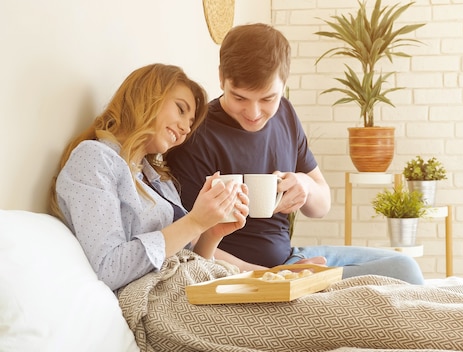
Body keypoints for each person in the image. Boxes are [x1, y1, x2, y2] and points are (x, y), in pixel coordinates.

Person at [166, 23, 425, 284]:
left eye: (267, 99)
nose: (254, 113)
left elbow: (322, 205)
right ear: (222, 78)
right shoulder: (197, 135)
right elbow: (191, 241)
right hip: (245, 273)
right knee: (400, 278)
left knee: (405, 267)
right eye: (240, 98)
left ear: (284, 83)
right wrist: (266, 275)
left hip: (291, 259)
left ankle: (317, 287)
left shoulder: (286, 114)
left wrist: (304, 185)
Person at [49, 63, 250, 291]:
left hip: (185, 290)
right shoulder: (94, 159)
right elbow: (108, 267)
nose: (186, 128)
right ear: (147, 97)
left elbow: (188, 262)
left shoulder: (158, 179)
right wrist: (194, 222)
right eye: (181, 110)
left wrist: (211, 233)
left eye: (191, 123)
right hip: (152, 301)